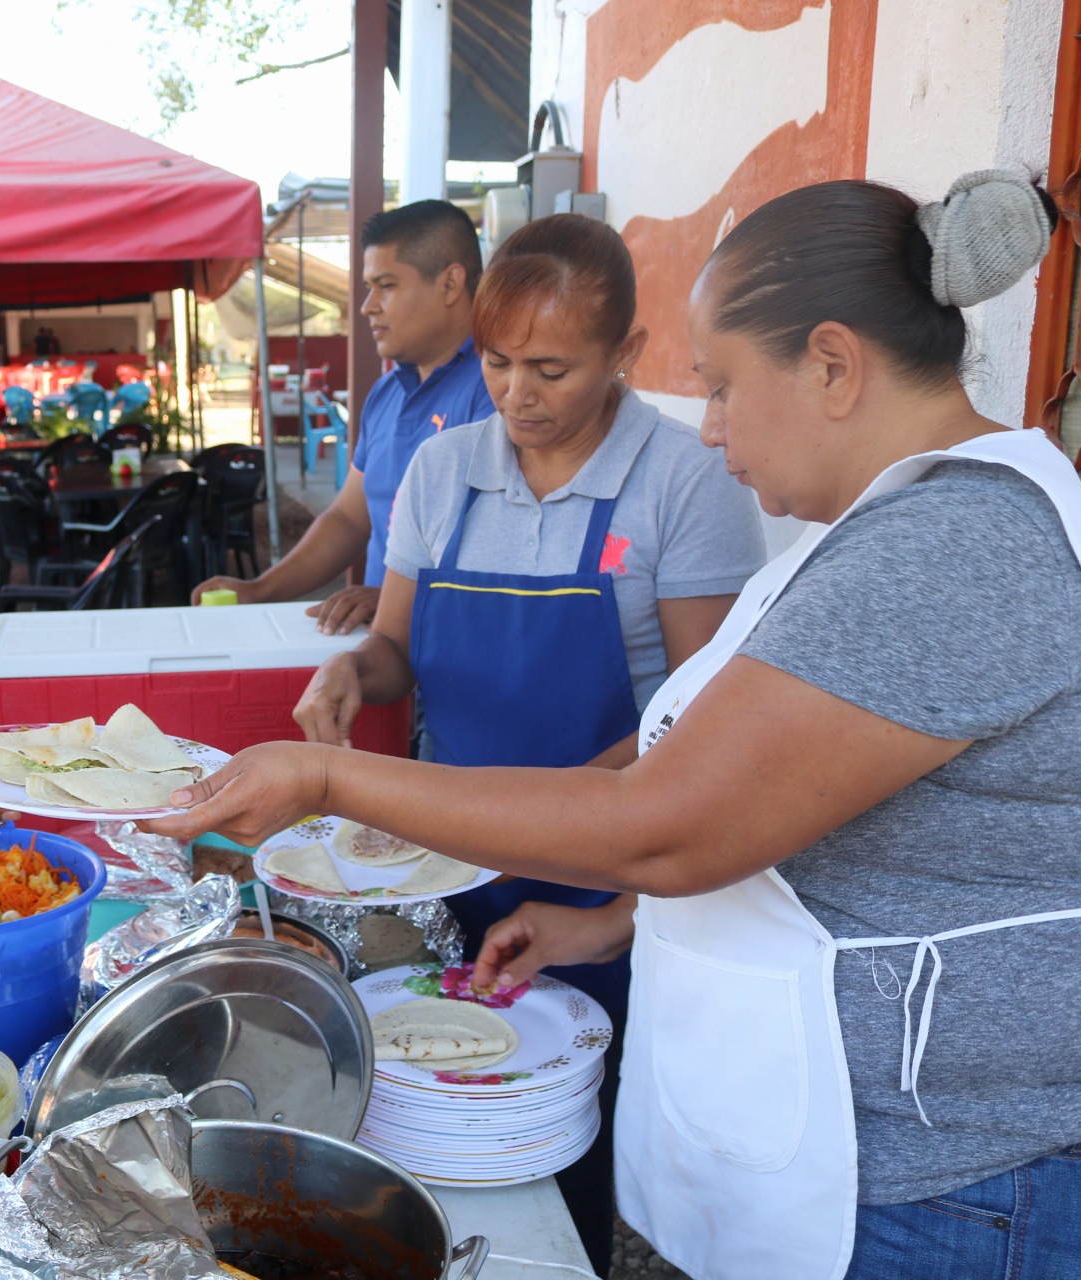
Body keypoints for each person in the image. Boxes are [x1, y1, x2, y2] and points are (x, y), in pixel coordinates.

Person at [151, 172, 1081, 1280]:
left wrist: (327, 779)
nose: (709, 429)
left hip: (973, 1180)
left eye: (720, 388)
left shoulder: (948, 548)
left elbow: (661, 815)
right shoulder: (894, 528)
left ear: (831, 363)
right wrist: (612, 925)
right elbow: (765, 797)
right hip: (921, 1157)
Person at [290, 213, 765, 1274]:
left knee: (566, 1125)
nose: (518, 394)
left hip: (606, 869)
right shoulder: (443, 470)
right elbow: (396, 652)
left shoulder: (685, 484)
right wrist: (347, 672)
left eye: (552, 367)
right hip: (440, 861)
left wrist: (563, 806)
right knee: (420, 1110)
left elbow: (700, 715)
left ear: (627, 354)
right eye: (499, 363)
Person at [192, 200, 494, 634]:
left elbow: (502, 550)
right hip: (381, 659)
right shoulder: (387, 392)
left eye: (385, 285)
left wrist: (399, 598)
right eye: (368, 287)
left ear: (450, 283)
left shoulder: (497, 391)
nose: (368, 306)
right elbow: (349, 519)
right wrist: (260, 589)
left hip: (455, 656)